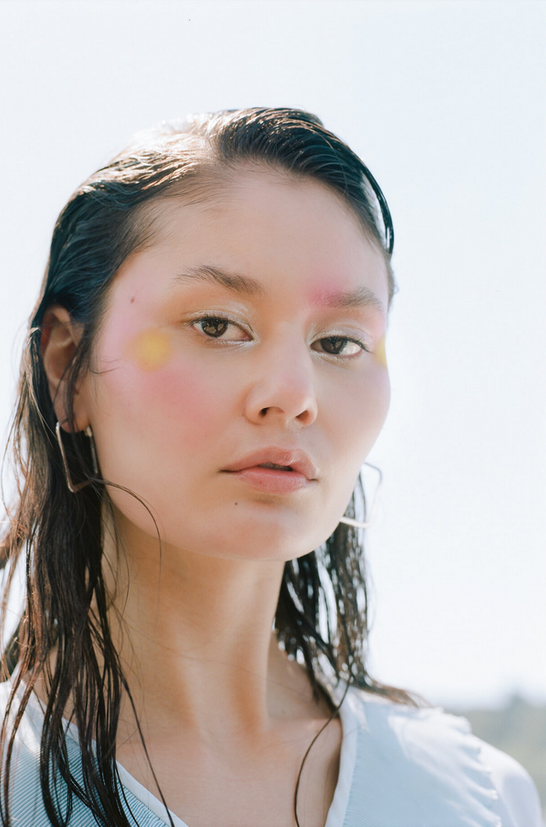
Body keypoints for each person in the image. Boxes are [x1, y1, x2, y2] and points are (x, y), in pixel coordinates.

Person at [0, 108, 542, 827]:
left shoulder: (476, 797)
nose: (293, 395)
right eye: (218, 325)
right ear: (69, 368)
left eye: (341, 342)